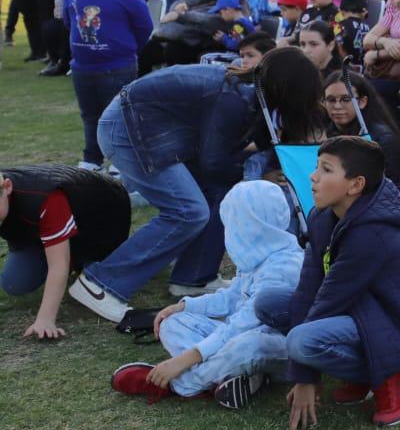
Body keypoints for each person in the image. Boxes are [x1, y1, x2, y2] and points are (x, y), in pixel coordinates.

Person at [67, 49, 325, 322]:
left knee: (216, 192)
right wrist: (257, 177)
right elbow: (214, 163)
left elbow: (230, 155)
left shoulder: (252, 93)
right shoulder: (234, 99)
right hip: (129, 128)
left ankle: (193, 277)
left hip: (150, 127)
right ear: (289, 90)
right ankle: (100, 283)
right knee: (188, 211)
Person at [254, 136, 400, 430]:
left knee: (302, 341)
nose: (313, 176)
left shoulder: (372, 235)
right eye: (316, 167)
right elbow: (309, 288)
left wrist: (304, 376)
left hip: (397, 326)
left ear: (355, 185)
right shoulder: (321, 216)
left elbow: (326, 304)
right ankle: (363, 371)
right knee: (268, 303)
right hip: (356, 309)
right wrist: (305, 377)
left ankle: (392, 372)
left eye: (326, 170)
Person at [110, 181, 300, 408]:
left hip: (277, 349)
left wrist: (183, 360)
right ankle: (233, 378)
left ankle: (177, 385)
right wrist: (185, 307)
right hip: (236, 338)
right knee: (172, 322)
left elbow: (244, 324)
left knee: (249, 344)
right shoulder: (256, 254)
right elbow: (231, 298)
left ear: (251, 225)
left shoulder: (285, 266)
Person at [0, 165, 131, 340]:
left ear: (7, 187)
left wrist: (45, 319)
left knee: (89, 275)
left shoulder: (46, 198)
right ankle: (51, 243)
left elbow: (58, 264)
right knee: (15, 283)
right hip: (33, 225)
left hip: (100, 217)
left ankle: (76, 258)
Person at [64, 0, 153, 169]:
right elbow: (69, 21)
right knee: (89, 116)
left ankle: (119, 161)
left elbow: (144, 27)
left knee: (119, 117)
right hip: (82, 68)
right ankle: (92, 159)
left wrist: (126, 50)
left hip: (118, 68)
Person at [322, 72, 400, 187]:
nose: (337, 106)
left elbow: (390, 189)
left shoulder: (382, 139)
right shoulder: (324, 136)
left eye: (346, 99)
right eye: (331, 100)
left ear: (362, 102)